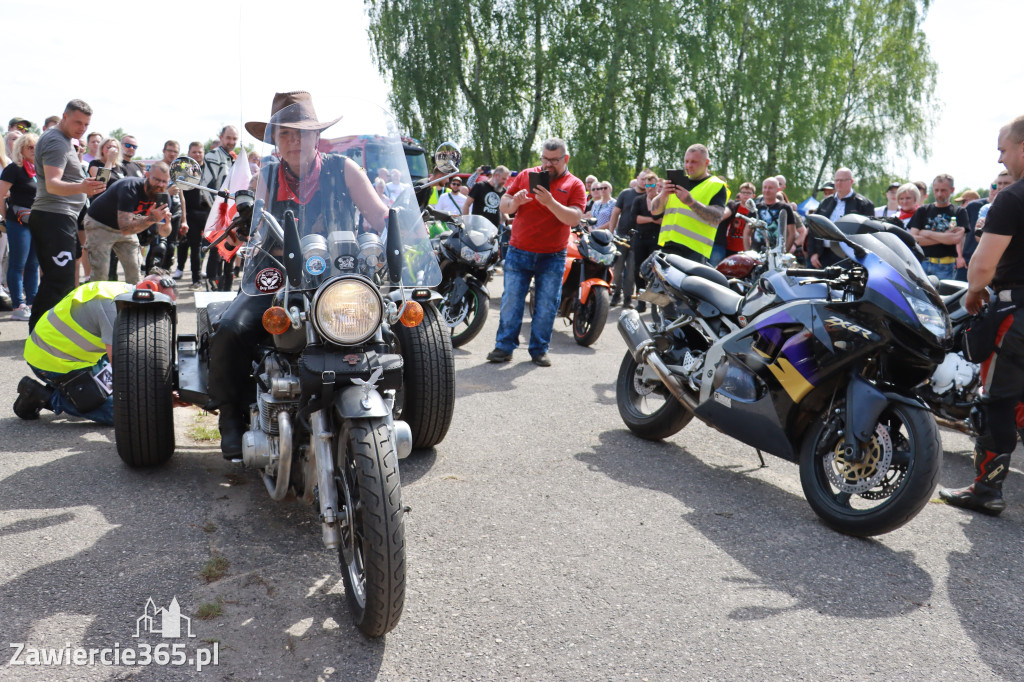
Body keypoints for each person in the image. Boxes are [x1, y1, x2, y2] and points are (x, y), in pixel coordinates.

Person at [206, 90, 389, 458]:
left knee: (389, 328)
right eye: (285, 134)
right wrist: (244, 224)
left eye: (301, 133)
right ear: (275, 140)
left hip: (337, 273)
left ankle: (387, 406)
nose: (293, 141)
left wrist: (391, 241)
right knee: (230, 329)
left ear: (316, 136)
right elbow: (250, 222)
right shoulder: (266, 176)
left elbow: (381, 217)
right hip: (275, 271)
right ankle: (231, 415)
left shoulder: (344, 169)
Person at [938, 115, 1024, 515]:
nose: (1001, 160)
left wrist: (975, 291)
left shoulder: (1012, 198)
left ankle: (986, 490)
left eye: (1003, 150)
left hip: (1017, 313)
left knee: (998, 401)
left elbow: (982, 267)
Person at [13, 272, 177, 425]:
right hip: (51, 360)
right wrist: (158, 400)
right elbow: (122, 368)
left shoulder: (122, 294)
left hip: (69, 353)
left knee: (117, 392)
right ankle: (42, 396)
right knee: (125, 414)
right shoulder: (112, 307)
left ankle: (73, 391)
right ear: (148, 289)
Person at [486, 138, 585, 367]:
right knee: (511, 301)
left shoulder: (575, 184)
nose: (548, 165)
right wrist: (515, 203)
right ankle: (504, 347)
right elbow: (504, 204)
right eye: (545, 159)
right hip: (520, 251)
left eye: (554, 160)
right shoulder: (526, 175)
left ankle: (539, 350)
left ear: (565, 159)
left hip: (553, 256)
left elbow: (574, 217)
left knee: (546, 305)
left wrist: (549, 202)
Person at [29, 99, 106, 330]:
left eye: (86, 124)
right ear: (64, 116)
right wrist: (83, 187)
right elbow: (53, 184)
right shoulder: (56, 141)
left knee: (62, 279)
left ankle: (49, 332)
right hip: (53, 216)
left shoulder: (64, 140)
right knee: (58, 280)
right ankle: (38, 334)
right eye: (77, 122)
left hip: (62, 217)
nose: (82, 128)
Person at [83, 162, 174, 284]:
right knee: (101, 273)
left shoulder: (163, 196)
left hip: (127, 227)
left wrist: (166, 223)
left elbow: (164, 233)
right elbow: (125, 229)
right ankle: (97, 301)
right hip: (100, 224)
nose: (160, 185)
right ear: (146, 175)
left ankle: (135, 301)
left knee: (135, 271)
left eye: (164, 182)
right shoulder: (130, 188)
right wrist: (152, 219)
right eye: (156, 180)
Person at [649, 144, 729, 263]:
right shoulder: (677, 181)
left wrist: (691, 202)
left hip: (694, 251)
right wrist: (663, 194)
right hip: (668, 246)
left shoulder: (716, 185)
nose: (688, 166)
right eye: (686, 161)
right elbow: (654, 211)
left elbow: (716, 217)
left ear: (706, 162)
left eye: (694, 162)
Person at [0, 133, 39, 320]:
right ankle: (18, 305)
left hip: (37, 221)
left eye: (36, 147)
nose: (33, 151)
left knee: (33, 264)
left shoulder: (39, 169)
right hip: (17, 221)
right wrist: (5, 216)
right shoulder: (13, 169)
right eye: (29, 147)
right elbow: (0, 194)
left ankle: (32, 302)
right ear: (21, 149)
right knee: (17, 264)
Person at [805, 168, 874, 268]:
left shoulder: (863, 204)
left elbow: (868, 234)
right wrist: (813, 253)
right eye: (836, 180)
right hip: (822, 255)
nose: (838, 183)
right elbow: (814, 228)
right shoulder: (825, 202)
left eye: (842, 180)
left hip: (848, 257)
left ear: (851, 182)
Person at [908, 174, 969, 280]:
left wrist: (927, 233)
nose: (939, 194)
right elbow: (913, 239)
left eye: (943, 190)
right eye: (936, 190)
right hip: (922, 263)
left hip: (946, 266)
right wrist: (945, 237)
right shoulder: (923, 210)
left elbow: (956, 239)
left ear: (952, 190)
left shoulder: (959, 212)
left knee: (943, 296)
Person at [201, 127, 239, 291]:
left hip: (233, 212)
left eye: (234, 139)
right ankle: (212, 284)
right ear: (221, 137)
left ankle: (227, 287)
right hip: (218, 212)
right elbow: (205, 186)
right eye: (228, 138)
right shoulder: (213, 156)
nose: (231, 142)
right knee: (216, 250)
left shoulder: (234, 158)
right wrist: (216, 211)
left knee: (232, 248)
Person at [608, 170, 646, 307]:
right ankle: (616, 295)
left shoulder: (649, 197)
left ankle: (628, 299)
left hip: (638, 240)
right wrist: (611, 233)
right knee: (617, 270)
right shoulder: (625, 193)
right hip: (621, 237)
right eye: (642, 179)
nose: (644, 182)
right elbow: (615, 213)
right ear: (637, 178)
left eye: (646, 180)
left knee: (631, 272)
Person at [627, 170, 663, 312]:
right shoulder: (639, 200)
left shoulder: (662, 201)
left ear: (657, 185)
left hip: (656, 240)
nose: (650, 188)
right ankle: (641, 301)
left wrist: (650, 220)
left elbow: (664, 221)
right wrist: (654, 219)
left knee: (656, 271)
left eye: (653, 185)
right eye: (647, 185)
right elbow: (635, 219)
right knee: (638, 270)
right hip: (640, 238)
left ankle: (655, 302)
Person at [176, 141, 210, 286]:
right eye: (194, 152)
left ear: (204, 153)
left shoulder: (210, 169)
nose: (197, 154)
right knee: (194, 247)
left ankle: (212, 276)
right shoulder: (183, 170)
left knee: (211, 246)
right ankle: (196, 279)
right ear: (189, 154)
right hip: (191, 213)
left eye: (199, 152)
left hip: (209, 211)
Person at [749, 177, 796, 254]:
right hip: (756, 253)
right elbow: (747, 231)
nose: (767, 190)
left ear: (778, 190)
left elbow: (792, 233)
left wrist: (783, 253)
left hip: (776, 254)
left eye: (770, 188)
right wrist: (748, 251)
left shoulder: (785, 208)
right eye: (765, 187)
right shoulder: (756, 208)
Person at [717, 181, 756, 258]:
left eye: (748, 193)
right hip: (730, 246)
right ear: (740, 194)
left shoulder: (754, 211)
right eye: (743, 192)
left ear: (753, 195)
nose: (745, 195)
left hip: (745, 247)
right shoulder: (734, 207)